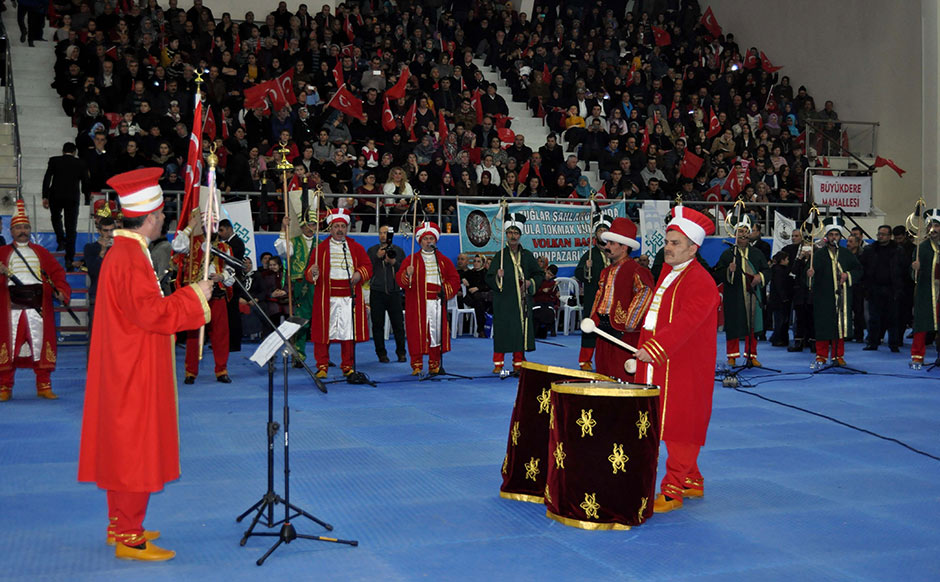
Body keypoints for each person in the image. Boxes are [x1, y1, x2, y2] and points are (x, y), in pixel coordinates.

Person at [78, 167, 213, 562]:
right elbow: (152, 314)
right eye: (161, 216)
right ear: (151, 217)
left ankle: (119, 523)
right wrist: (195, 296)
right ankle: (131, 537)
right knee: (135, 449)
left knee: (121, 448)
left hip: (126, 362)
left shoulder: (124, 253)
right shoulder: (131, 259)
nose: (163, 221)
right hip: (133, 369)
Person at [634, 206, 719, 514]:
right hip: (663, 361)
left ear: (693, 248)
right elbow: (655, 318)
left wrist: (654, 349)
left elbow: (686, 322)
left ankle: (672, 490)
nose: (667, 248)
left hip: (684, 365)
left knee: (681, 424)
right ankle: (692, 479)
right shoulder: (669, 273)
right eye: (667, 242)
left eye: (675, 243)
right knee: (667, 420)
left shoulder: (701, 281)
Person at [0, 199, 71, 402]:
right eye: (18, 228)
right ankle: (4, 386)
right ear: (11, 231)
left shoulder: (41, 253)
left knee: (42, 345)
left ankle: (44, 385)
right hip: (10, 310)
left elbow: (57, 274)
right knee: (8, 345)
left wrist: (60, 291)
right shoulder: (2, 253)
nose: (22, 231)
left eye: (25, 227)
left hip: (38, 308)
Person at [303, 208, 373, 377]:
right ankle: (322, 365)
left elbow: (368, 267)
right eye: (336, 226)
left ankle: (347, 366)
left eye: (343, 226)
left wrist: (359, 273)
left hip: (350, 296)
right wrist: (313, 273)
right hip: (327, 297)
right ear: (330, 228)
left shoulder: (356, 247)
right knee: (323, 333)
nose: (340, 229)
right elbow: (309, 274)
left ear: (347, 228)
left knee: (348, 333)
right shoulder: (321, 248)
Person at [587, 217, 654, 381]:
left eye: (611, 243)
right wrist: (592, 319)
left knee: (622, 378)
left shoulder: (637, 270)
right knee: (603, 376)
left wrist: (630, 322)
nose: (606, 247)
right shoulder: (606, 271)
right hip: (603, 332)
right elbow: (599, 297)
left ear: (624, 247)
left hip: (623, 334)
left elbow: (645, 292)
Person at [172, 218, 235, 384]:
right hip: (196, 297)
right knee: (193, 335)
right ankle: (190, 372)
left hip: (217, 295)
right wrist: (189, 227)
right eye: (208, 225)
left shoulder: (224, 248)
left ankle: (222, 369)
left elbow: (231, 272)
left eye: (215, 226)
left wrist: (222, 276)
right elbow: (176, 246)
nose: (212, 229)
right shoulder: (192, 244)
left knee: (221, 334)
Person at [397, 222, 460, 375]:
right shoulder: (411, 260)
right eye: (425, 239)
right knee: (416, 333)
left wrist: (445, 290)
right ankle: (416, 365)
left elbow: (455, 279)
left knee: (435, 335)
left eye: (431, 238)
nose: (429, 241)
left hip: (437, 303)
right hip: (418, 303)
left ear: (436, 240)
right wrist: (407, 274)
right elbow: (399, 280)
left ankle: (434, 364)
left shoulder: (443, 260)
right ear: (420, 241)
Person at [485, 213, 543, 374]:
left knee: (520, 331)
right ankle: (498, 364)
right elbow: (488, 278)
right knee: (503, 331)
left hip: (522, 302)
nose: (513, 236)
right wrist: (497, 275)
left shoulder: (527, 255)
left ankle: (519, 363)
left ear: (520, 235)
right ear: (506, 234)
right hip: (504, 302)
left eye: (516, 233)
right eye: (510, 233)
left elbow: (539, 274)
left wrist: (531, 282)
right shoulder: (500, 256)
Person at [713, 216, 769, 366]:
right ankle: (732, 355)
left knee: (753, 326)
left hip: (752, 295)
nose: (742, 235)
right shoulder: (727, 254)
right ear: (735, 235)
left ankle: (751, 355)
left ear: (749, 234)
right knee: (733, 325)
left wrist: (759, 277)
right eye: (739, 232)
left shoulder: (757, 253)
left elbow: (767, 270)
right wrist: (728, 271)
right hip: (734, 295)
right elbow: (717, 273)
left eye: (745, 232)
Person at [807, 217, 862, 367]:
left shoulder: (845, 254)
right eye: (831, 235)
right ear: (827, 236)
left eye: (836, 235)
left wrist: (847, 275)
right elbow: (809, 275)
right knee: (823, 325)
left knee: (840, 326)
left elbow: (858, 270)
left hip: (842, 296)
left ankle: (838, 355)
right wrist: (810, 274)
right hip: (823, 296)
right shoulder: (818, 254)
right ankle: (821, 355)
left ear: (840, 236)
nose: (834, 238)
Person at [275, 209, 319, 366]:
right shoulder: (294, 241)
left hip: (317, 285)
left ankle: (322, 358)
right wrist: (283, 229)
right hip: (300, 285)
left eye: (313, 224)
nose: (310, 228)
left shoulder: (321, 243)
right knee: (301, 321)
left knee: (320, 321)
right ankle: (298, 355)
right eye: (307, 225)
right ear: (301, 226)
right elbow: (282, 251)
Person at [574, 216, 612, 370]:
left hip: (611, 298)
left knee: (610, 329)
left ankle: (606, 361)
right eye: (600, 230)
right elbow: (578, 273)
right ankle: (585, 361)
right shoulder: (590, 254)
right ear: (595, 234)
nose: (602, 233)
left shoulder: (614, 252)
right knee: (591, 326)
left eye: (605, 230)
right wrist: (586, 268)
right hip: (593, 298)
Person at [42, 142, 89, 267]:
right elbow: (85, 182)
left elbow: (47, 178)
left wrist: (45, 196)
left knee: (56, 217)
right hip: (72, 197)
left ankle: (60, 239)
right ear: (74, 152)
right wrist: (87, 198)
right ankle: (69, 258)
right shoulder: (81, 163)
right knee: (71, 228)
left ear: (62, 151)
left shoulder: (54, 160)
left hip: (55, 195)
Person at [860, 225, 904, 352]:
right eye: (879, 234)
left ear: (889, 236)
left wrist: (899, 287)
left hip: (892, 289)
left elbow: (903, 269)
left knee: (893, 319)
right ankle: (872, 343)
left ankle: (894, 344)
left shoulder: (898, 250)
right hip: (874, 288)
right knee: (873, 318)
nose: (880, 236)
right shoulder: (870, 249)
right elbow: (862, 266)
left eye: (883, 234)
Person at [367, 225, 407, 363]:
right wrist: (377, 257)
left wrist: (394, 262)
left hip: (394, 292)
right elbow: (366, 270)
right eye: (381, 233)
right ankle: (381, 353)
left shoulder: (399, 251)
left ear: (391, 235)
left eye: (386, 233)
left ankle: (401, 352)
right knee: (377, 324)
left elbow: (405, 270)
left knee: (398, 325)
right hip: (377, 291)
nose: (383, 235)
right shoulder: (372, 250)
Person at [910, 211, 940, 368]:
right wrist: (916, 269)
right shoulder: (922, 248)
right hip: (926, 292)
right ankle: (917, 356)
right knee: (921, 325)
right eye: (930, 226)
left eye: (936, 226)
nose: (933, 229)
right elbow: (912, 276)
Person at [82, 216, 116, 328]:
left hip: (117, 295)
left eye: (112, 230)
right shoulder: (90, 248)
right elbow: (93, 270)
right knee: (96, 331)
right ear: (99, 231)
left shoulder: (120, 248)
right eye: (106, 230)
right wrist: (102, 252)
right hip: (97, 293)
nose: (109, 233)